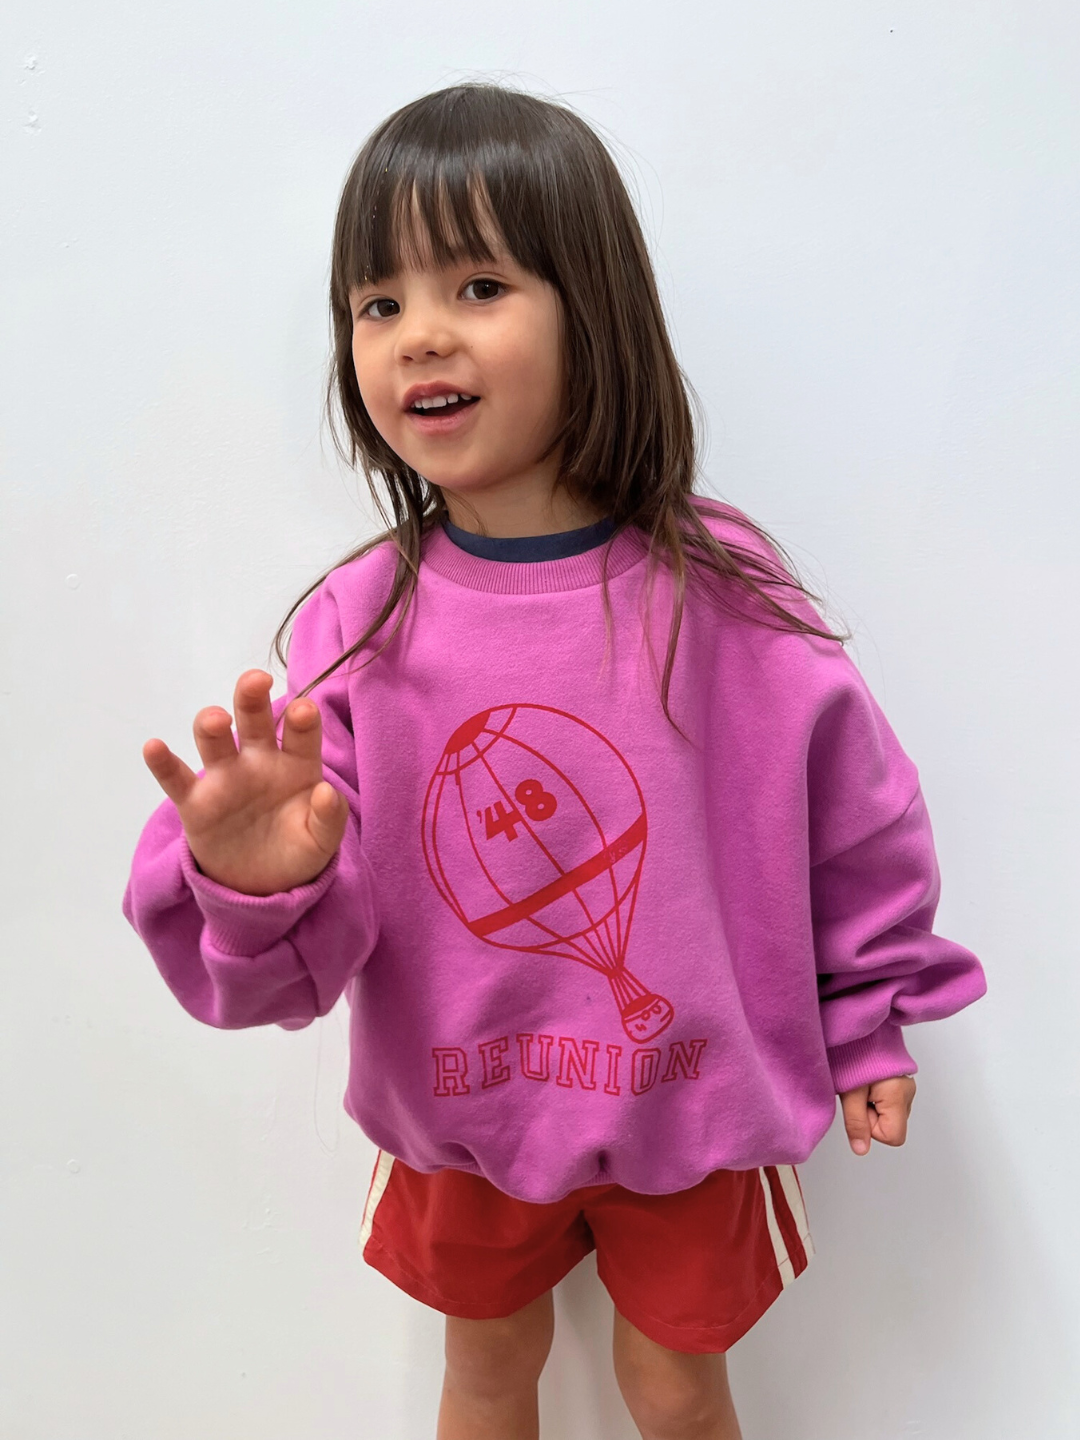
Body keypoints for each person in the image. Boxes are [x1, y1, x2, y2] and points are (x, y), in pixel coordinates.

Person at [121, 82, 988, 1440]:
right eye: (378, 302)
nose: (419, 336)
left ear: (595, 309)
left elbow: (850, 817)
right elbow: (294, 967)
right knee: (482, 1376)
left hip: (696, 1107)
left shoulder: (722, 587)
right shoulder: (358, 626)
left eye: (475, 282)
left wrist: (870, 1007)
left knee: (676, 1386)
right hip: (464, 1119)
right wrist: (256, 882)